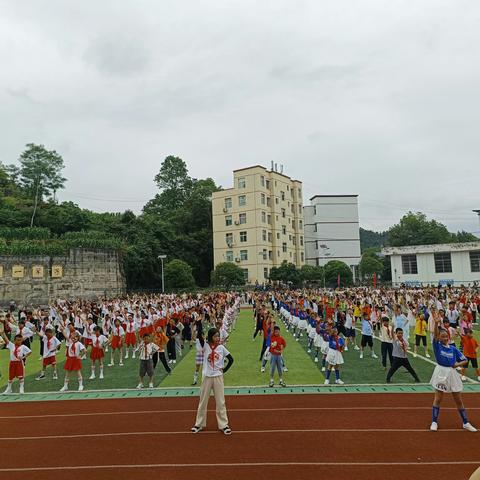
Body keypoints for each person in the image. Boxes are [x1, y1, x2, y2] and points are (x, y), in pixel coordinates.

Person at [430, 317, 476, 432]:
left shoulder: (453, 349)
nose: (445, 338)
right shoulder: (437, 345)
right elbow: (435, 335)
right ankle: (434, 421)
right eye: (442, 336)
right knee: (438, 398)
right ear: (439, 338)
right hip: (441, 372)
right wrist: (436, 324)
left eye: (446, 336)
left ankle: (465, 422)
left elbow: (465, 360)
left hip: (452, 373)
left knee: (458, 399)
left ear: (448, 337)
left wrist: (457, 365)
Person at [191, 327, 234, 435]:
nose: (218, 338)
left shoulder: (221, 348)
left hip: (218, 377)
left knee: (220, 402)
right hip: (207, 377)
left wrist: (224, 370)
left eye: (218, 335)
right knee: (203, 401)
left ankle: (224, 425)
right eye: (215, 336)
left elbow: (231, 359)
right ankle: (199, 424)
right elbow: (200, 336)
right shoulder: (205, 346)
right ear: (210, 337)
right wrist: (199, 323)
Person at [1, 329, 32, 394]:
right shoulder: (11, 345)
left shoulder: (23, 347)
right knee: (10, 377)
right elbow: (6, 340)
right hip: (12, 363)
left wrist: (23, 357)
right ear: (14, 340)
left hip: (19, 363)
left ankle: (21, 388)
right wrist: (3, 333)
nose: (19, 341)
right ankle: (9, 389)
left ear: (22, 340)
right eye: (17, 340)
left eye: (20, 340)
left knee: (20, 376)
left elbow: (29, 352)